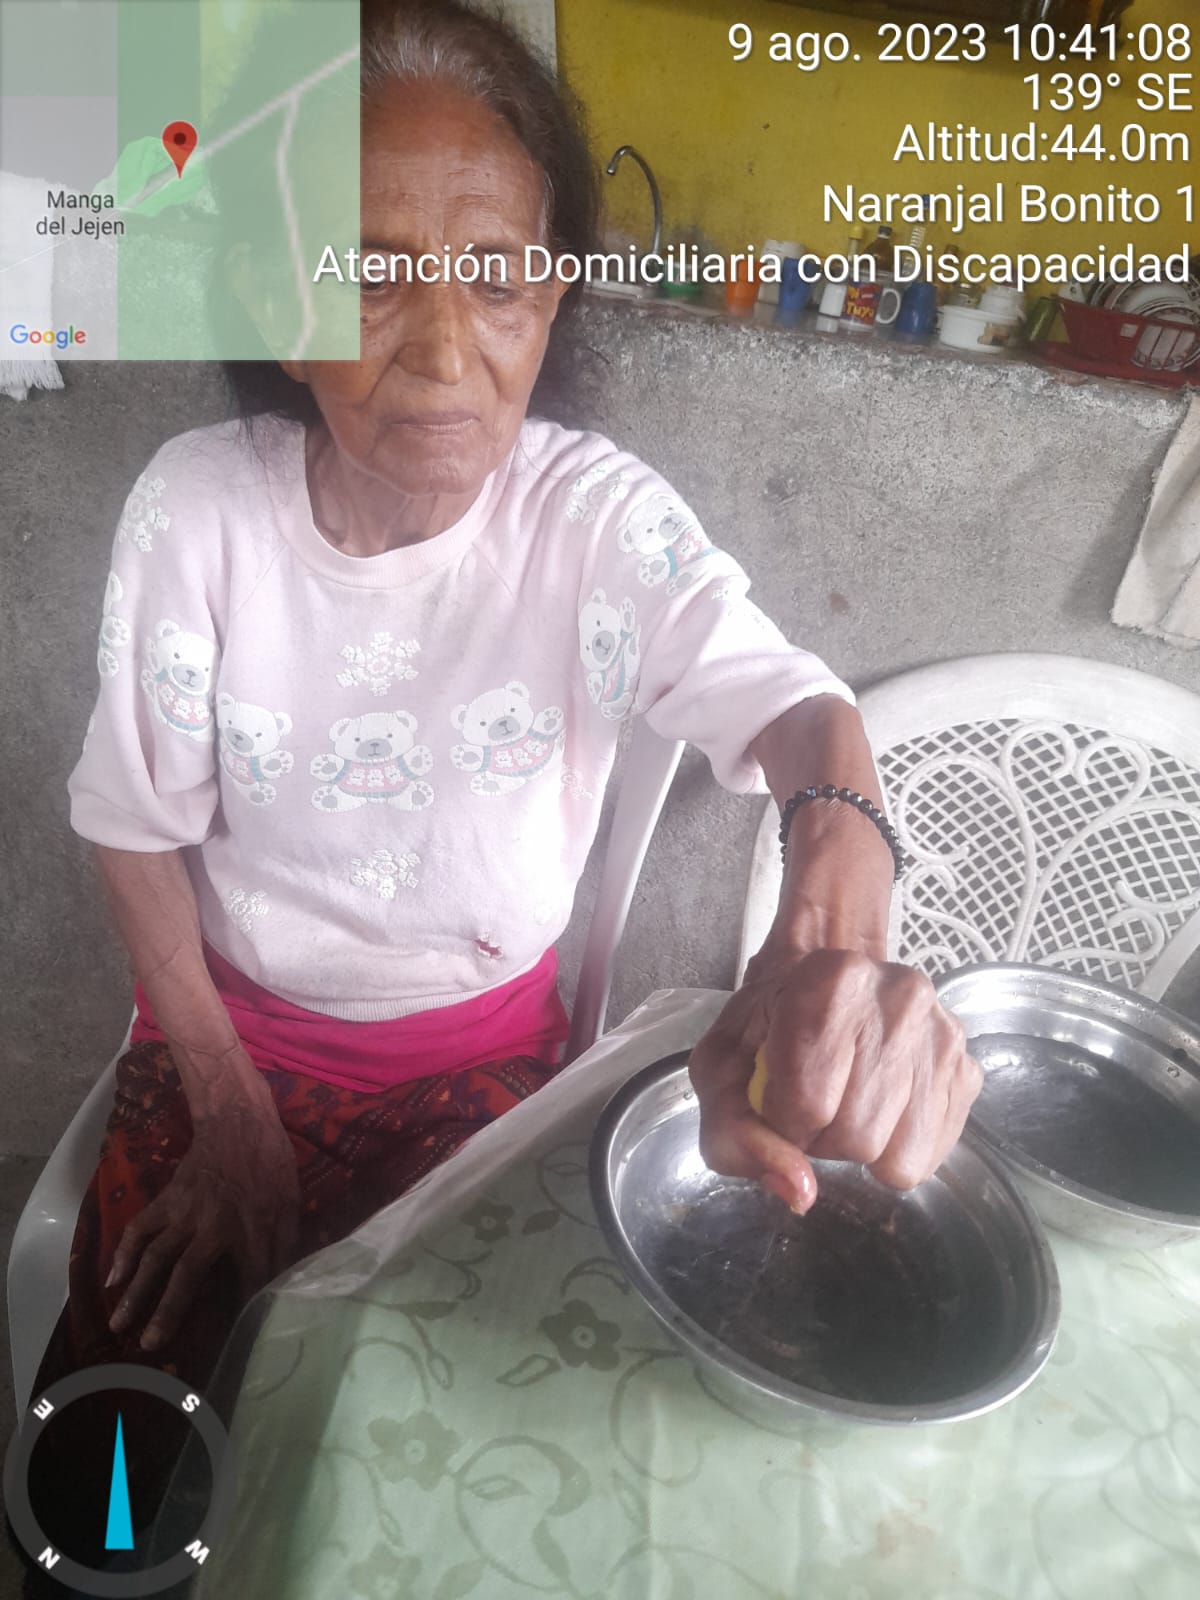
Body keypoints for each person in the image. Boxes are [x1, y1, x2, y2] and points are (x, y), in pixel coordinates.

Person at [25, 0, 980, 1558]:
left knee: (455, 1427)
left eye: (498, 275)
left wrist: (839, 909)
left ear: (552, 298)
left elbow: (797, 708)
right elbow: (132, 833)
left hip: (482, 1084)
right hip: (228, 1046)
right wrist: (226, 1104)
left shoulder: (592, 522)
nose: (445, 350)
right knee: (127, 1440)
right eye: (369, 272)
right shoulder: (199, 515)